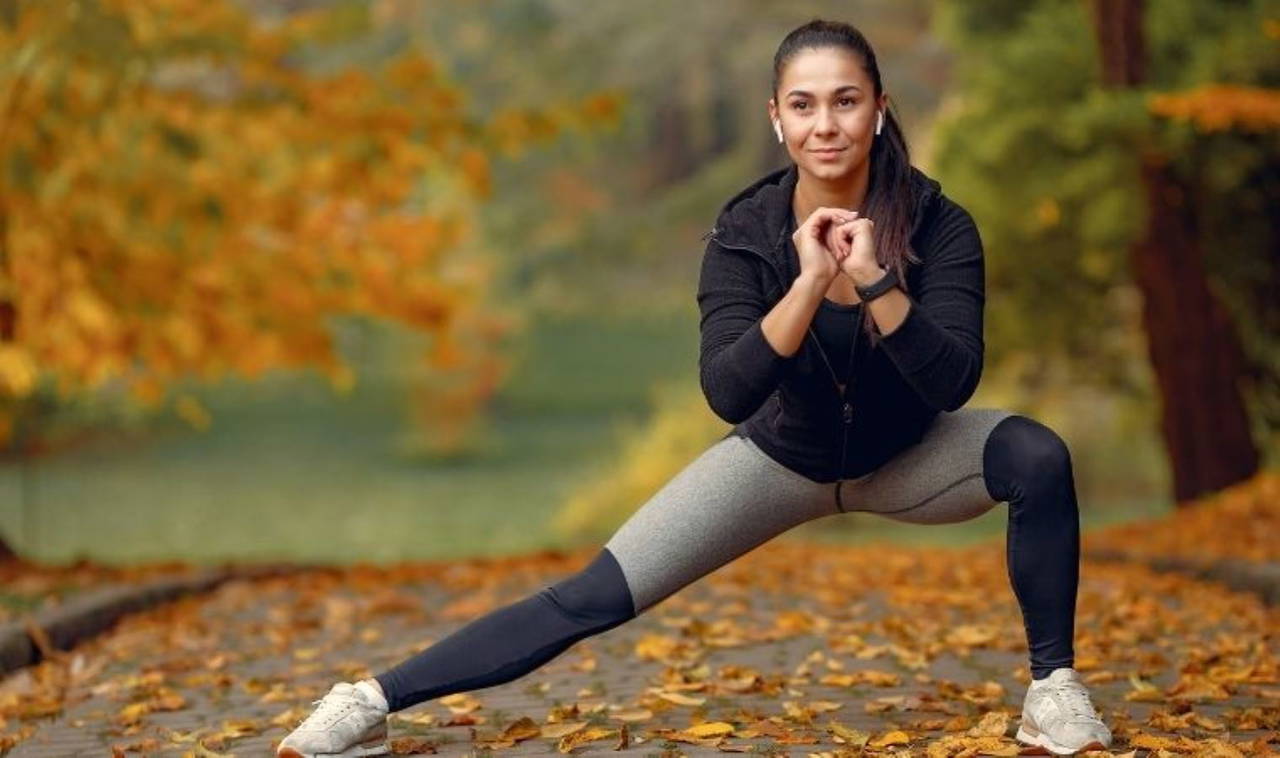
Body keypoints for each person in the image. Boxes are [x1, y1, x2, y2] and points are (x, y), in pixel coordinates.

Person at [276, 18, 1113, 758]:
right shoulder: (745, 233)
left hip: (913, 457)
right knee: (593, 595)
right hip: (779, 460)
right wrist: (809, 283)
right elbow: (729, 391)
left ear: (880, 110)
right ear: (776, 119)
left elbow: (955, 378)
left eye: (847, 101)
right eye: (805, 104)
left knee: (1037, 455)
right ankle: (370, 700)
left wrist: (876, 281)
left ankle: (1054, 691)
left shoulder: (938, 224)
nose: (827, 123)